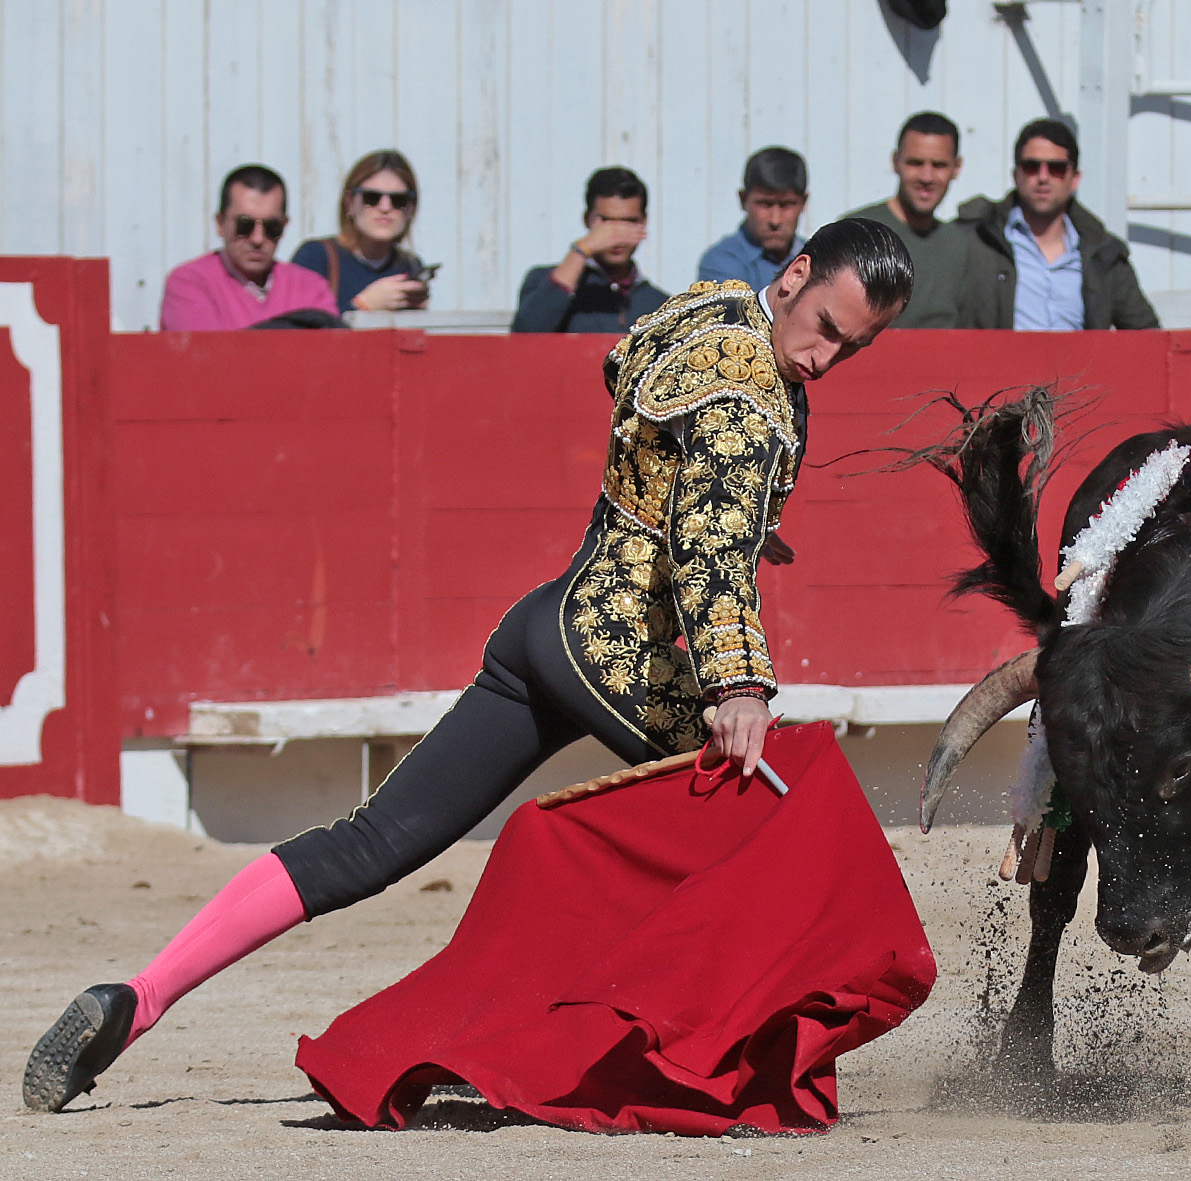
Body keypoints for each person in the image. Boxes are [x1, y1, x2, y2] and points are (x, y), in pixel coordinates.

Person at [23, 218, 916, 1115]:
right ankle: (664, 1060)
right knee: (784, 822)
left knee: (370, 841)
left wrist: (724, 509)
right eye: (828, 328)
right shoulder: (755, 397)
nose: (825, 358)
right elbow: (708, 548)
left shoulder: (710, 307)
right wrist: (739, 683)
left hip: (544, 625)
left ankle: (138, 998)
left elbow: (624, 375)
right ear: (798, 275)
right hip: (619, 656)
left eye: (856, 346)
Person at [953, 118, 1158, 331]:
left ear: (1075, 179)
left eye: (1056, 168)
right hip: (1000, 364)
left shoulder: (1104, 254)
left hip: (1080, 365)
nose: (1043, 177)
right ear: (1016, 175)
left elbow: (1147, 335)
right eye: (1032, 166)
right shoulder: (977, 239)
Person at [159, 165, 338, 331]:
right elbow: (205, 358)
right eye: (244, 225)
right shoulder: (190, 283)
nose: (258, 239)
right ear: (221, 224)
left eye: (271, 227)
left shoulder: (311, 288)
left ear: (284, 226)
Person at [846, 111, 967, 328]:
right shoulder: (856, 233)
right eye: (915, 163)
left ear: (956, 168)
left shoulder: (963, 245)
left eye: (938, 165)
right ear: (895, 162)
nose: (926, 177)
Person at [512, 166, 669, 333]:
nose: (616, 235)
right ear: (587, 219)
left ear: (644, 222)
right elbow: (524, 337)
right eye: (607, 222)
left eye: (629, 222)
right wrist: (581, 250)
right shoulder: (544, 281)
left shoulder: (660, 305)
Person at [291, 150, 430, 315]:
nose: (385, 208)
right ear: (350, 203)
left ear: (410, 208)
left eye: (398, 200)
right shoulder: (316, 257)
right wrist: (363, 306)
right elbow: (297, 333)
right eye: (371, 198)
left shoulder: (410, 265)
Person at [697, 148, 809, 292]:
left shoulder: (819, 260)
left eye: (786, 205)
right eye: (765, 204)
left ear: (804, 203)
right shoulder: (721, 262)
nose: (775, 220)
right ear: (743, 200)